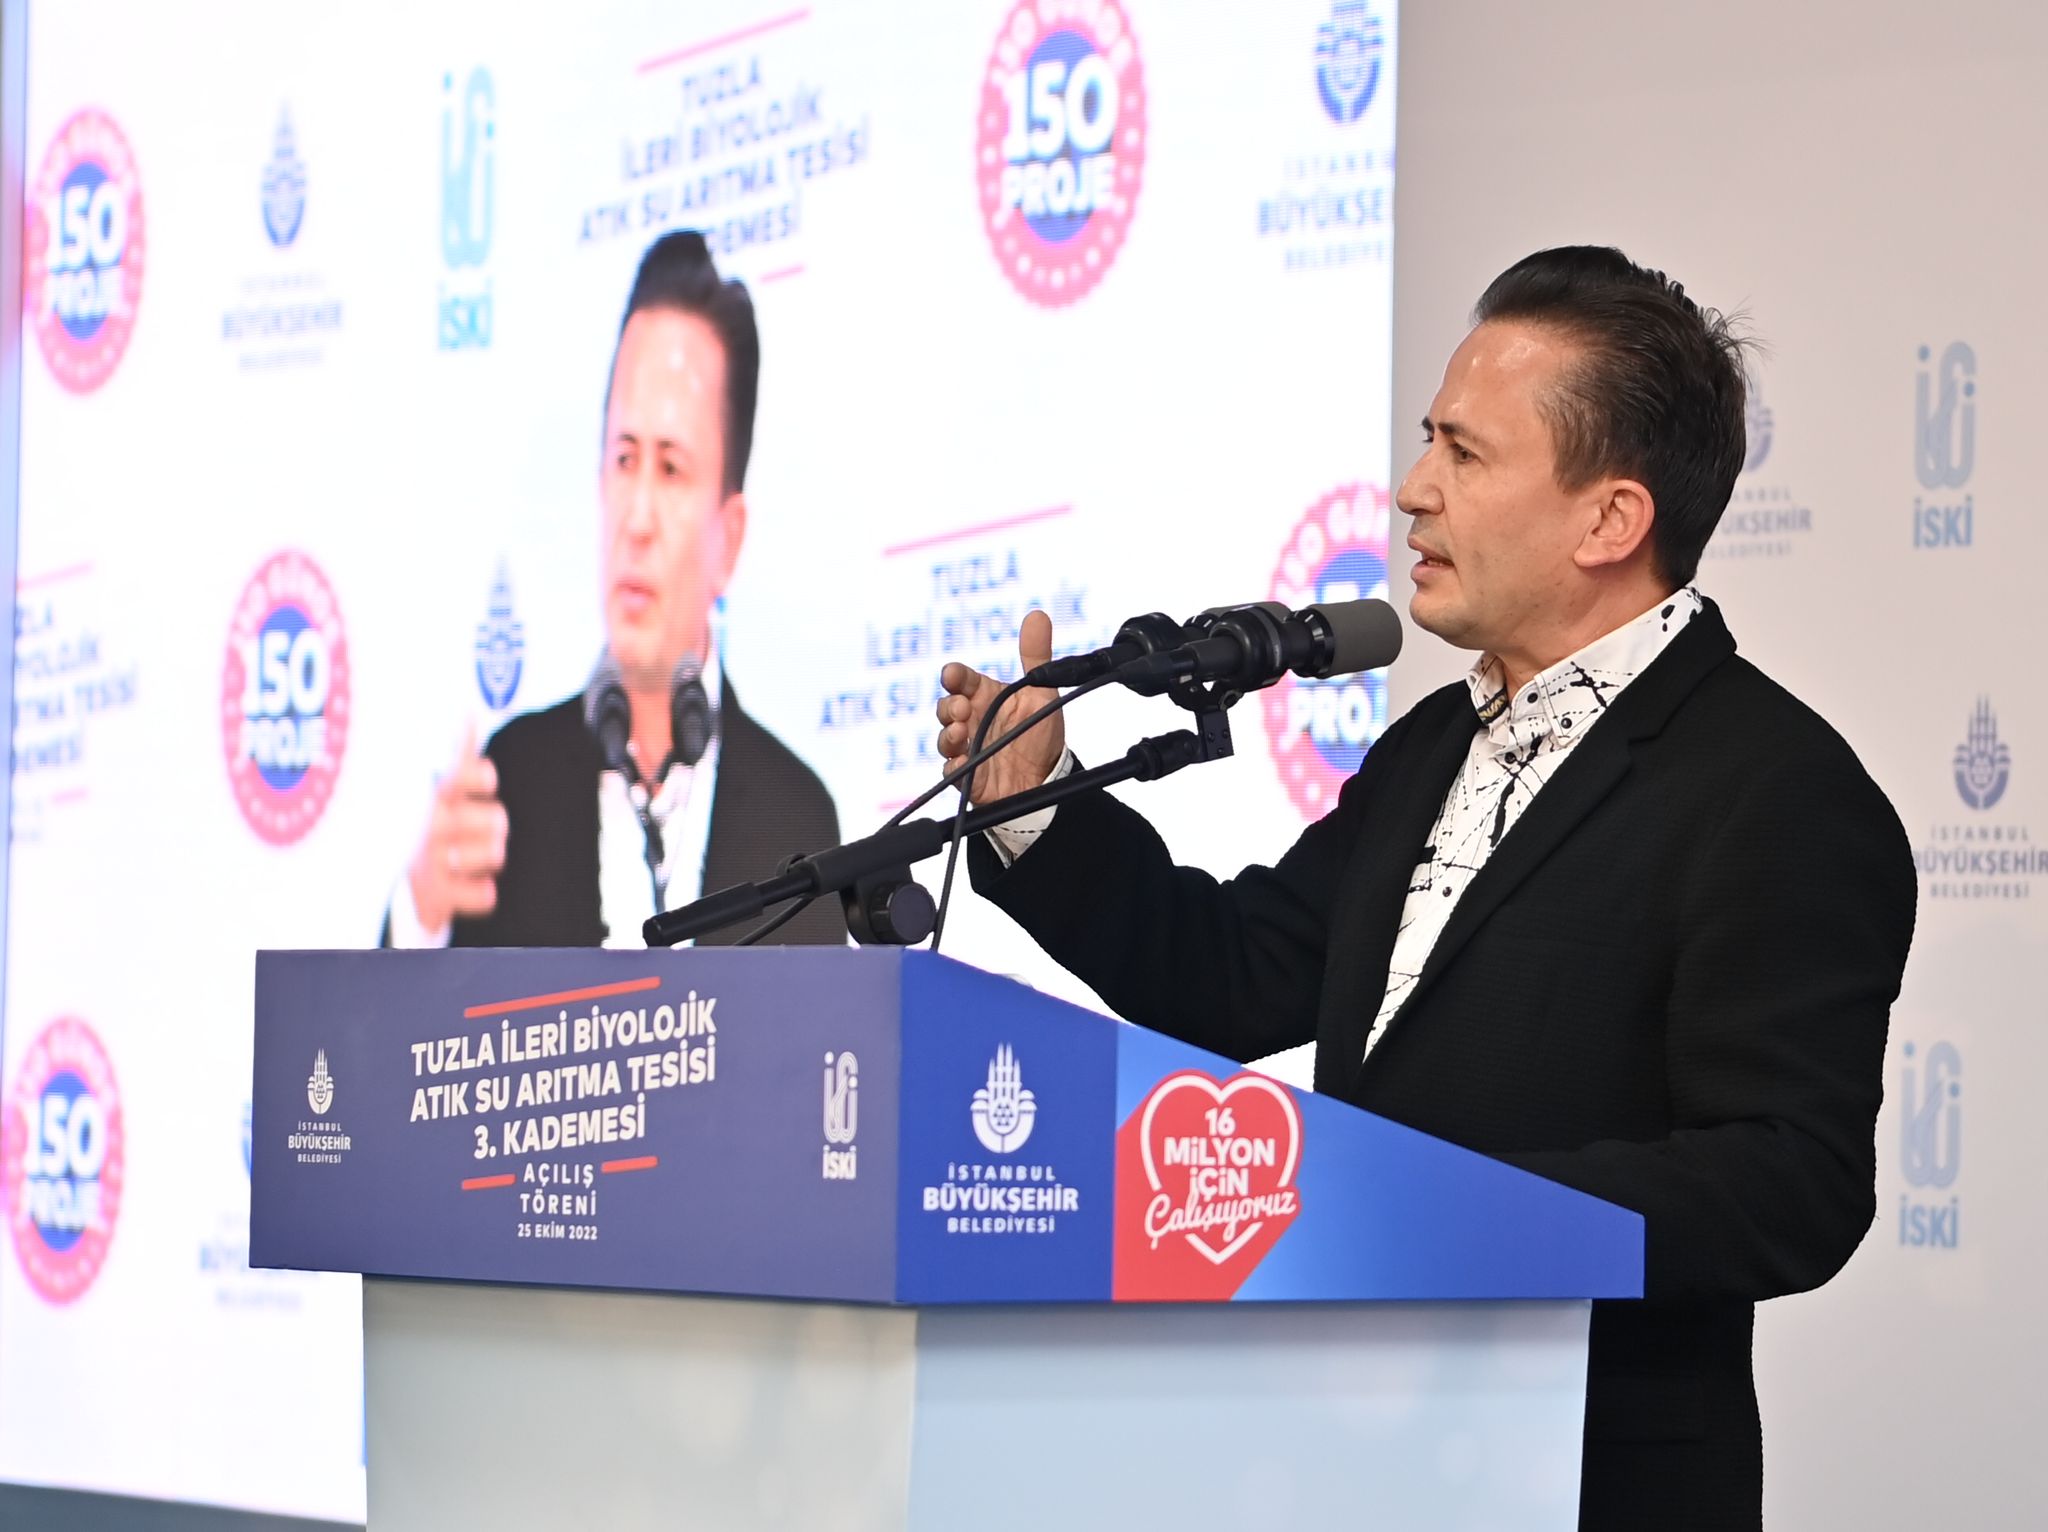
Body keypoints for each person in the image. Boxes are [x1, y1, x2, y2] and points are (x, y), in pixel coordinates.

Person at [935, 247, 1915, 1530]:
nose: (1411, 489)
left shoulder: (1776, 790)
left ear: (1607, 520)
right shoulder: (1429, 746)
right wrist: (1034, 806)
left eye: (1464, 451)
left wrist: (1456, 1212)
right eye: (1424, 440)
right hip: (1355, 1463)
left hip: (1582, 1473)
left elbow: (1789, 1179)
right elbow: (1234, 972)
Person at [388, 230, 842, 949]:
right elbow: (415, 1021)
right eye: (624, 460)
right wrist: (421, 913)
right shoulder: (512, 786)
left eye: (671, 469)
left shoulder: (796, 819)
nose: (637, 518)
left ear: (729, 538)